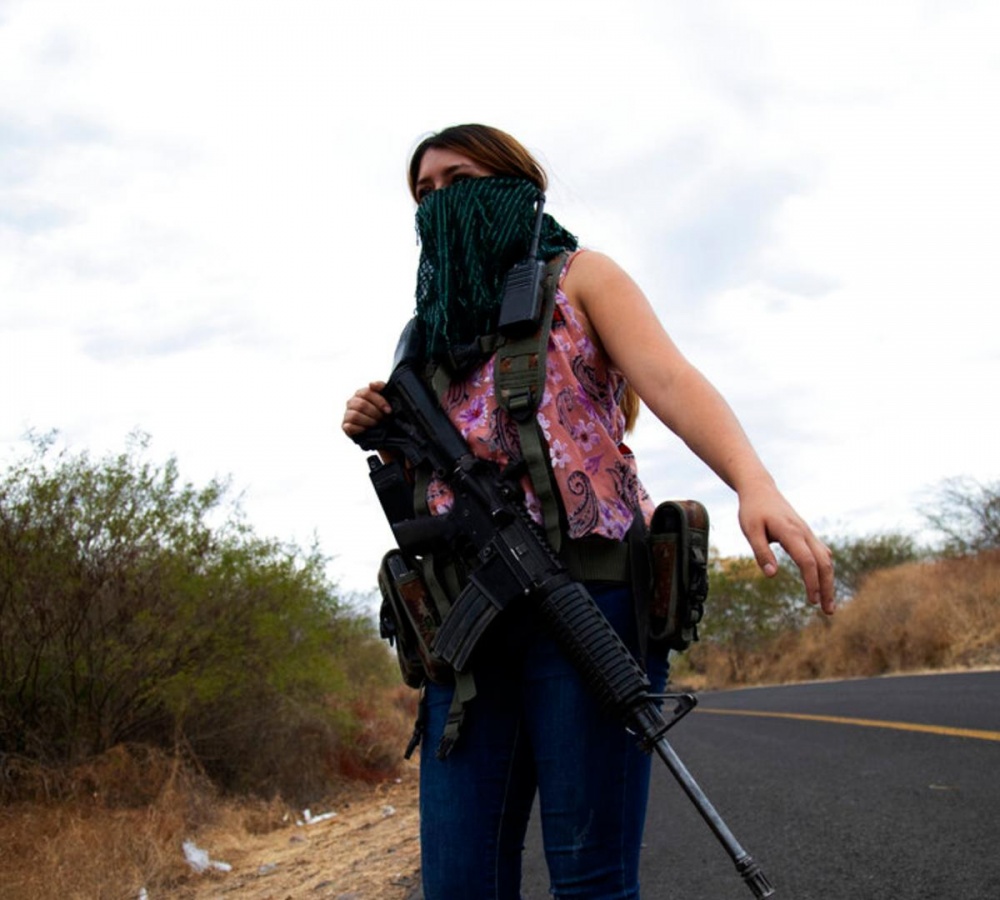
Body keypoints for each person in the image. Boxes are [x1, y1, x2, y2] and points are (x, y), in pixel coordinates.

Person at [342, 124, 835, 900]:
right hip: (466, 637)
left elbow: (670, 381)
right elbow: (429, 486)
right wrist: (379, 424)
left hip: (588, 605)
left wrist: (753, 482)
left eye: (458, 178)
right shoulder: (423, 337)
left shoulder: (580, 277)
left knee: (591, 882)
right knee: (458, 883)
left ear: (513, 184)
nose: (438, 201)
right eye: (423, 193)